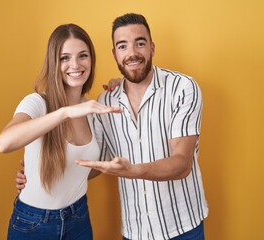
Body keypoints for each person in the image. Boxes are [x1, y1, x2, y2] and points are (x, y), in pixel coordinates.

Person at [18, 13, 208, 240]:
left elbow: (182, 163)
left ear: (152, 47)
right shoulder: (105, 102)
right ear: (114, 54)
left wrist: (134, 171)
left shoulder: (182, 88)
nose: (132, 53)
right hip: (135, 231)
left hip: (183, 226)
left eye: (140, 43)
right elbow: (96, 164)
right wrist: (36, 175)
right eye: (122, 46)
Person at [0, 23, 121, 240]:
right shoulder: (37, 103)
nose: (75, 64)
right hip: (33, 224)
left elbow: (89, 169)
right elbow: (4, 143)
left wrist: (122, 88)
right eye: (64, 58)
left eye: (83, 55)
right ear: (54, 62)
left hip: (79, 218)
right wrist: (66, 112)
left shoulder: (92, 109)